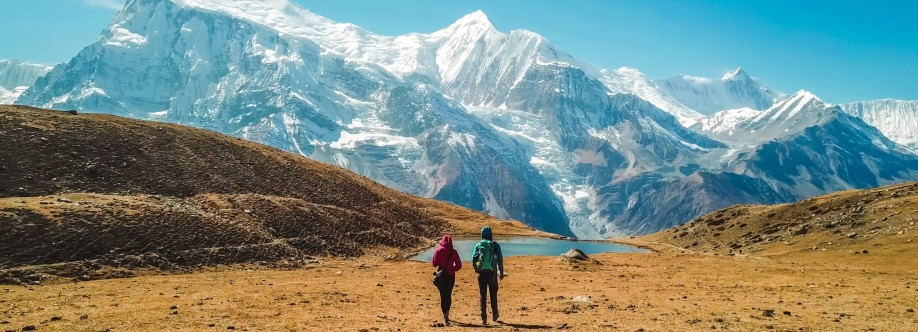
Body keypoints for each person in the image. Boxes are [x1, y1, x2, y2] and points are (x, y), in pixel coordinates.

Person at [471, 226, 505, 325]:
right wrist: (501, 272)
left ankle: (483, 318)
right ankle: (495, 315)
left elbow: (473, 258)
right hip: (492, 274)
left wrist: (477, 268)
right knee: (493, 295)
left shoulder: (478, 245)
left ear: (482, 235)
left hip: (481, 274)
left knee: (483, 295)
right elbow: (500, 260)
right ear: (491, 235)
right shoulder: (495, 245)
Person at [432, 234, 462, 326]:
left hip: (440, 276)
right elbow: (459, 266)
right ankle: (447, 314)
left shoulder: (438, 250)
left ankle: (444, 314)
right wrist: (451, 269)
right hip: (451, 277)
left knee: (442, 295)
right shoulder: (454, 252)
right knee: (448, 295)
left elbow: (434, 263)